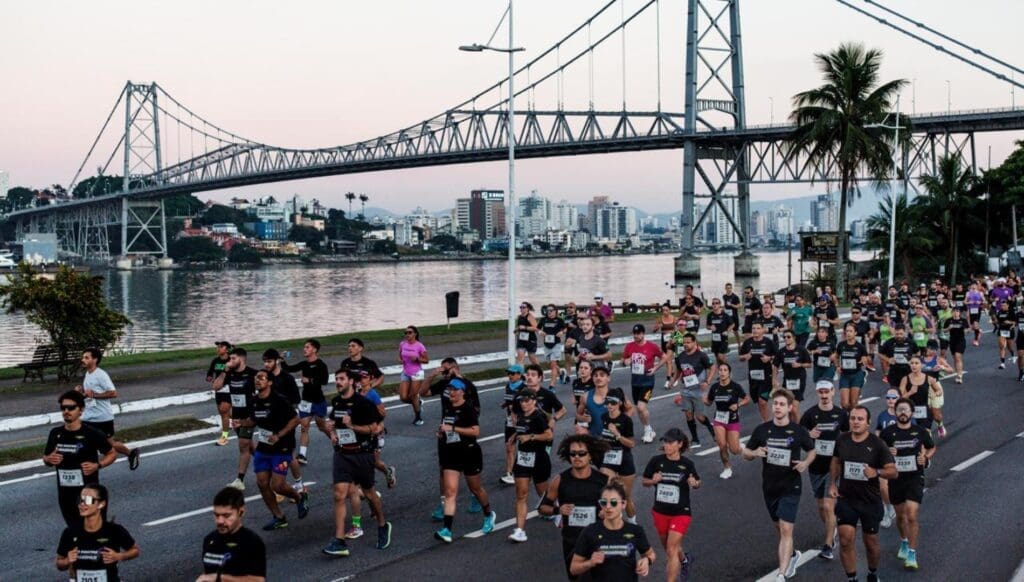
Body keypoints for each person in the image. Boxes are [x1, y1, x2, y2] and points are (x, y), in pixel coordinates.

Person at [743, 389, 816, 582]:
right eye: (775, 404)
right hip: (770, 486)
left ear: (790, 407)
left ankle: (781, 574)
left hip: (791, 486)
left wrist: (805, 463)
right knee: (778, 525)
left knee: (785, 529)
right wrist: (755, 452)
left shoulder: (798, 431)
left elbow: (812, 451)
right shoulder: (762, 430)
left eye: (782, 404)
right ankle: (792, 554)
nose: (777, 407)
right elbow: (746, 453)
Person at [322, 368, 392, 557]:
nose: (337, 382)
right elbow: (334, 424)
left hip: (362, 455)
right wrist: (333, 433)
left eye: (341, 379)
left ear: (351, 382)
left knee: (369, 493)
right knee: (339, 494)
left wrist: (351, 425)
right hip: (342, 455)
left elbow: (374, 428)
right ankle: (339, 540)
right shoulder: (336, 402)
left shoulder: (364, 403)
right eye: (336, 379)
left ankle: (383, 524)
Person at [829, 406, 897, 582]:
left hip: (870, 501)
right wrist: (832, 483)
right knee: (845, 540)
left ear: (868, 423)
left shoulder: (877, 444)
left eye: (860, 419)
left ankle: (872, 573)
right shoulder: (842, 440)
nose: (855, 422)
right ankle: (851, 578)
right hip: (846, 499)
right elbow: (836, 461)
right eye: (853, 418)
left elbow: (893, 471)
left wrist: (877, 473)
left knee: (871, 544)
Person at [539, 434, 611, 580]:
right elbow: (542, 508)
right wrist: (558, 510)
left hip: (597, 541)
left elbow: (615, 508)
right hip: (572, 543)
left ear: (590, 455)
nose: (576, 457)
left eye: (581, 453)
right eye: (573, 454)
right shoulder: (559, 480)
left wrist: (607, 513)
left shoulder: (602, 481)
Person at [433, 377, 497, 542]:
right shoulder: (447, 408)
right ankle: (447, 530)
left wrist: (453, 428)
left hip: (469, 453)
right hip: (451, 453)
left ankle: (489, 514)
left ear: (462, 392)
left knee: (475, 489)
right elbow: (446, 427)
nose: (451, 393)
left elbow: (476, 432)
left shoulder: (468, 409)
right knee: (450, 492)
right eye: (449, 390)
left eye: (454, 390)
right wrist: (441, 432)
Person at [43, 390, 116, 527]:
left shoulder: (92, 433)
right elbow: (46, 458)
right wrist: (49, 459)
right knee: (74, 531)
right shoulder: (55, 433)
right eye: (63, 408)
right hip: (65, 494)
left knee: (92, 529)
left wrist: (97, 465)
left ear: (81, 410)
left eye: (71, 408)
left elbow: (112, 453)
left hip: (88, 494)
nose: (66, 411)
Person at [879, 398, 936, 571]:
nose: (902, 413)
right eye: (899, 410)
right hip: (896, 478)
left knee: (911, 515)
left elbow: (932, 447)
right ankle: (904, 541)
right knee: (901, 516)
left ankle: (912, 553)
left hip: (914, 478)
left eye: (906, 410)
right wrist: (888, 452)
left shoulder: (920, 431)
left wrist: (925, 457)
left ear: (911, 413)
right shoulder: (888, 433)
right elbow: (880, 453)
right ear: (895, 413)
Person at [251, 370, 309, 531]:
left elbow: (296, 419)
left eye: (261, 378)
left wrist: (279, 435)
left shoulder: (279, 400)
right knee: (262, 483)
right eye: (256, 377)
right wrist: (240, 423)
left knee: (277, 485)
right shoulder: (254, 401)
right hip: (264, 447)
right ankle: (279, 517)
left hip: (282, 447)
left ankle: (299, 497)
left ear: (269, 382)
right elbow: (252, 420)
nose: (258, 380)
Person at [799, 380, 850, 561]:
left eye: (826, 391)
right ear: (817, 393)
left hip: (834, 466)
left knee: (829, 506)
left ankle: (828, 544)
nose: (824, 395)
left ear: (833, 392)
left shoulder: (841, 414)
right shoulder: (810, 414)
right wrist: (808, 434)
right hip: (816, 466)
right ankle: (832, 527)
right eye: (820, 392)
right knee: (821, 506)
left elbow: (848, 434)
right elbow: (798, 433)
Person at [641, 428, 701, 582]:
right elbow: (644, 481)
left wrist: (694, 483)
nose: (666, 445)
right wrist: (652, 481)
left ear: (680, 444)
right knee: (669, 548)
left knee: (671, 548)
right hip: (660, 511)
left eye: (670, 442)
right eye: (665, 442)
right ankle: (685, 560)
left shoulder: (687, 464)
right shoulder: (656, 461)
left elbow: (697, 481)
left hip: (681, 512)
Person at [570, 482, 656, 582]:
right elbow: (573, 568)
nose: (608, 507)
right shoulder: (590, 531)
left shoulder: (635, 531)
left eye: (614, 502)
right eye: (604, 502)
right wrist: (590, 562)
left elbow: (650, 554)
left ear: (623, 504)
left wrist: (647, 560)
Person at [56, 484, 139, 582]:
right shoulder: (70, 532)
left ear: (101, 504)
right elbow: (59, 563)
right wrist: (66, 561)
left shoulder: (113, 530)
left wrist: (118, 556)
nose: (82, 504)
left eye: (88, 500)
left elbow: (135, 550)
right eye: (80, 500)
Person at [77, 348, 141, 470]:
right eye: (83, 357)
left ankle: (131, 454)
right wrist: (81, 391)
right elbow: (90, 393)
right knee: (83, 439)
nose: (83, 360)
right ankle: (85, 465)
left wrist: (94, 395)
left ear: (94, 360)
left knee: (109, 444)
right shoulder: (88, 374)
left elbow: (113, 393)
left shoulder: (101, 375)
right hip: (89, 416)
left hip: (102, 417)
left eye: (86, 357)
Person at [508, 389, 554, 543]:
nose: (524, 404)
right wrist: (514, 437)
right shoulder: (521, 415)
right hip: (523, 460)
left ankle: (559, 510)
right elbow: (521, 429)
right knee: (521, 495)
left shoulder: (539, 416)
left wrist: (531, 436)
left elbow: (549, 435)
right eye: (522, 401)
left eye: (527, 401)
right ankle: (520, 530)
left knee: (544, 500)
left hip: (539, 459)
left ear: (534, 401)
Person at [212, 347, 259, 490]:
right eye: (230, 358)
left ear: (242, 359)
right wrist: (224, 371)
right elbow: (216, 386)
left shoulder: (252, 373)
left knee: (243, 445)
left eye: (233, 359)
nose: (230, 361)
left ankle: (240, 480)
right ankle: (268, 462)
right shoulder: (230, 373)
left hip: (249, 416)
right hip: (236, 415)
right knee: (250, 446)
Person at [199, 487, 266, 581]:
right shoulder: (209, 540)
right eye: (216, 515)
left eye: (226, 516)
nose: (220, 521)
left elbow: (258, 580)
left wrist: (219, 578)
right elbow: (209, 573)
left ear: (241, 512)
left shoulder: (251, 542)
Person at [282, 339, 331, 463]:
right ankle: (302, 455)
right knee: (304, 426)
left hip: (318, 401)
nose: (304, 349)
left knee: (321, 426)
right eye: (304, 347)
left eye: (307, 347)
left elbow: (324, 381)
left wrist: (310, 381)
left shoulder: (321, 364)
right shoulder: (304, 364)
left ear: (314, 349)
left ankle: (337, 441)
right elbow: (289, 369)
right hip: (306, 401)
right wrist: (281, 360)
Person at [595, 391, 637, 522]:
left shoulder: (626, 420)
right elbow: (603, 436)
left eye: (613, 403)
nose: (610, 406)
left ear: (619, 403)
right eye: (607, 402)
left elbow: (631, 444)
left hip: (624, 459)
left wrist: (617, 435)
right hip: (609, 459)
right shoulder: (603, 417)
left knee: (626, 496)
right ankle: (609, 521)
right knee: (606, 492)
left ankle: (632, 522)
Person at [621, 324, 664, 443]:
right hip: (635, 382)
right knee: (639, 409)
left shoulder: (652, 346)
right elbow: (622, 361)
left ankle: (647, 430)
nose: (636, 336)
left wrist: (656, 368)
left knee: (641, 407)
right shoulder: (629, 346)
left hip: (648, 381)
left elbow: (664, 357)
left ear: (643, 334)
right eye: (634, 333)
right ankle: (648, 428)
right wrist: (626, 361)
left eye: (639, 333)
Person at [705, 362, 749, 479]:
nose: (722, 372)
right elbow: (709, 402)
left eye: (725, 370)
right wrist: (704, 400)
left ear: (729, 373)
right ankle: (727, 468)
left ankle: (740, 447)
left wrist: (738, 405)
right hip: (719, 420)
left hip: (732, 420)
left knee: (734, 450)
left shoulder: (735, 386)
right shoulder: (714, 387)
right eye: (721, 370)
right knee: (722, 445)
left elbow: (746, 399)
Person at [672, 333, 716, 447]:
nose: (686, 344)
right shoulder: (680, 356)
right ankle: (695, 439)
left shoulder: (701, 355)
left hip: (698, 390)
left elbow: (713, 367)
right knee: (688, 415)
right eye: (684, 343)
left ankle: (711, 427)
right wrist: (673, 381)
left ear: (694, 342)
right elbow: (678, 370)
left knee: (699, 417)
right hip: (686, 390)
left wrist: (707, 381)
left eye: (688, 342)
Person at [739, 322, 778, 421]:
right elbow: (740, 357)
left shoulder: (768, 342)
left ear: (762, 330)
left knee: (762, 401)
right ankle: (765, 420)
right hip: (753, 377)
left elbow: (778, 357)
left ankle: (767, 422)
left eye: (758, 328)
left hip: (766, 376)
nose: (755, 330)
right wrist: (745, 357)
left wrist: (769, 358)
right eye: (753, 328)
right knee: (758, 401)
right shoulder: (748, 342)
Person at [774, 331, 812, 421]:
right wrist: (774, 380)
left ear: (794, 337)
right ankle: (791, 428)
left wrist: (800, 365)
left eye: (788, 337)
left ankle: (798, 430)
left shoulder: (801, 350)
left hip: (799, 381)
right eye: (784, 337)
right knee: (789, 410)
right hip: (787, 382)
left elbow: (810, 364)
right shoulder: (781, 351)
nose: (786, 339)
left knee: (794, 409)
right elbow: (775, 366)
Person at [899, 356, 941, 431]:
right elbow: (900, 398)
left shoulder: (928, 378)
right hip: (910, 411)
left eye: (916, 363)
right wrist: (910, 392)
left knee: (925, 435)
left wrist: (935, 394)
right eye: (912, 363)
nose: (914, 365)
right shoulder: (905, 379)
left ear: (921, 365)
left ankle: (939, 425)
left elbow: (939, 391)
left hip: (924, 411)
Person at [398, 325, 429, 425]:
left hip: (417, 373)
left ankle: (418, 418)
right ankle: (418, 403)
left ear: (415, 334)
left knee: (412, 395)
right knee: (403, 397)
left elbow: (426, 360)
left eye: (410, 332)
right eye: (406, 333)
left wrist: (417, 359)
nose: (407, 334)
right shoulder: (402, 344)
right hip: (406, 373)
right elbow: (400, 355)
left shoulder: (420, 346)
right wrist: (400, 360)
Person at [836, 324, 870, 412]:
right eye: (847, 331)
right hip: (845, 375)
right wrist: (837, 366)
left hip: (856, 375)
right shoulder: (841, 345)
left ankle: (851, 420)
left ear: (855, 333)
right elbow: (836, 356)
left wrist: (864, 360)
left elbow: (866, 358)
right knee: (844, 404)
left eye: (851, 331)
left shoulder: (860, 346)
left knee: (854, 403)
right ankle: (848, 416)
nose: (848, 333)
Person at [207, 341, 233, 446]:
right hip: (218, 390)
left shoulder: (231, 360)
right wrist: (210, 378)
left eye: (221, 346)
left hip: (229, 389)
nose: (218, 348)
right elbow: (209, 373)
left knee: (224, 412)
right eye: (218, 346)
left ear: (227, 349)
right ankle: (240, 420)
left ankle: (225, 437)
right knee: (223, 414)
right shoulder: (215, 361)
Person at [539, 304, 569, 383]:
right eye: (547, 310)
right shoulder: (543, 319)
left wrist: (562, 332)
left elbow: (565, 328)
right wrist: (540, 332)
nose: (549, 312)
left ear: (555, 311)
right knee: (550, 364)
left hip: (556, 344)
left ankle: (552, 386)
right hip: (546, 344)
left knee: (553, 364)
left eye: (551, 310)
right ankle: (561, 373)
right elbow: (538, 328)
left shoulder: (559, 320)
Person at [705, 298, 735, 366]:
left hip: (723, 339)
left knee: (720, 356)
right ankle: (721, 373)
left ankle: (727, 370)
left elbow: (732, 324)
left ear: (719, 305)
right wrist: (710, 327)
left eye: (716, 303)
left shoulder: (725, 315)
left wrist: (727, 331)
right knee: (717, 358)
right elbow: (707, 326)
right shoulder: (710, 315)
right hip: (715, 339)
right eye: (713, 303)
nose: (714, 305)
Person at [943, 306, 969, 383]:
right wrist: (948, 328)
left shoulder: (963, 320)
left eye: (957, 311)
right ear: (952, 312)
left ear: (959, 313)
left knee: (958, 356)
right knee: (955, 358)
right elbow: (944, 330)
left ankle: (959, 375)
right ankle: (958, 372)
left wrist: (966, 331)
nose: (956, 313)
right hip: (952, 340)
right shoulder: (948, 320)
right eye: (954, 311)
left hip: (961, 340)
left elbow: (967, 329)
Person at [515, 302, 541, 366]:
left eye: (524, 307)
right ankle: (520, 374)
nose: (522, 309)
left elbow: (536, 328)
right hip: (521, 340)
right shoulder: (519, 317)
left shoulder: (530, 317)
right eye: (520, 307)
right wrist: (517, 330)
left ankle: (539, 372)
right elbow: (519, 326)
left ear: (528, 308)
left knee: (532, 358)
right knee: (520, 357)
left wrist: (525, 327)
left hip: (530, 340)